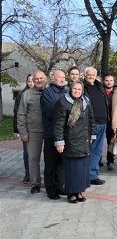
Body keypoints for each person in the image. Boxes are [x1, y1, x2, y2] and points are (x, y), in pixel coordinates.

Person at [53, 81, 96, 204]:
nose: (77, 91)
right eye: (75, 89)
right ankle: (71, 193)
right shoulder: (63, 103)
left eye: (79, 89)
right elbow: (58, 124)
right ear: (70, 89)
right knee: (72, 169)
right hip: (70, 140)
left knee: (82, 169)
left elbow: (91, 118)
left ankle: (79, 191)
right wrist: (59, 142)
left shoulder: (86, 101)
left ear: (82, 90)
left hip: (84, 139)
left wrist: (93, 134)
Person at [17, 71, 46, 194]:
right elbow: (21, 114)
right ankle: (35, 183)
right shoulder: (27, 94)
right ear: (33, 80)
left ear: (46, 79)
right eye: (36, 78)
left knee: (50, 158)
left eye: (41, 78)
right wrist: (23, 132)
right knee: (33, 158)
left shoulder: (50, 92)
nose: (39, 80)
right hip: (33, 131)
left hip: (49, 130)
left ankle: (51, 182)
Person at [41, 69, 68, 200]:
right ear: (52, 79)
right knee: (51, 163)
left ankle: (60, 186)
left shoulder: (67, 91)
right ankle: (50, 189)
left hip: (65, 133)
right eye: (59, 77)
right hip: (51, 133)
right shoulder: (47, 93)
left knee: (62, 162)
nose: (62, 79)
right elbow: (54, 111)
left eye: (63, 77)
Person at [83, 67, 107, 185]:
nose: (91, 76)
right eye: (89, 74)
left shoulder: (99, 86)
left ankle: (93, 175)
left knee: (97, 151)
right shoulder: (82, 88)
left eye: (93, 75)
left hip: (103, 123)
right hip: (89, 124)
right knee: (87, 150)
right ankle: (84, 175)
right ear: (85, 75)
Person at [13, 74, 34, 184]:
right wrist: (16, 129)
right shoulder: (22, 94)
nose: (31, 83)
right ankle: (28, 172)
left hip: (38, 128)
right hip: (25, 127)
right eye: (29, 81)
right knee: (27, 151)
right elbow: (17, 112)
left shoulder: (41, 92)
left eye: (33, 81)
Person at [103, 74, 116, 170]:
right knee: (97, 141)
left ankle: (110, 161)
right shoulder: (100, 92)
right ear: (104, 81)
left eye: (111, 80)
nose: (109, 82)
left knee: (110, 142)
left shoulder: (116, 93)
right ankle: (97, 161)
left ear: (113, 82)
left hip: (112, 121)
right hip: (101, 120)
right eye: (107, 80)